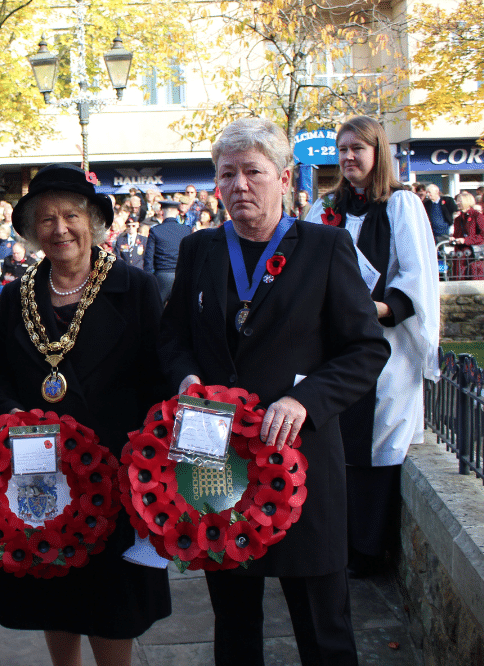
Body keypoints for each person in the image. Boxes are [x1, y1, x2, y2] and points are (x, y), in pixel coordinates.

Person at [161, 117, 389, 666]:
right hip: (214, 460)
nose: (240, 185)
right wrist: (185, 378)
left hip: (301, 460)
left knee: (321, 625)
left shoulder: (326, 247)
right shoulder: (199, 251)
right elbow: (171, 341)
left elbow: (366, 350)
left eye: (253, 172)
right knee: (233, 621)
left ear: (285, 177)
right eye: (227, 174)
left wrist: (305, 400)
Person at [0, 163, 171, 666]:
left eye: (71, 215)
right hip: (40, 473)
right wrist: (15, 417)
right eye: (45, 220)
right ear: (31, 231)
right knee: (52, 588)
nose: (59, 229)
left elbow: (159, 379)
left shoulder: (136, 288)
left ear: (94, 221)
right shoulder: (15, 296)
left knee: (114, 601)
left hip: (114, 472)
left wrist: (146, 458)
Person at [305, 116, 440, 577]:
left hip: (386, 347)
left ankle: (367, 550)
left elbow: (417, 276)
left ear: (378, 152)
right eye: (342, 149)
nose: (348, 157)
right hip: (334, 347)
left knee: (377, 442)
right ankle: (334, 544)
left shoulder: (401, 205)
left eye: (358, 149)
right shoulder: (328, 207)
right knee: (333, 442)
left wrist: (374, 309)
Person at [143, 199, 191, 303]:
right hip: (181, 275)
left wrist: (148, 278)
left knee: (156, 310)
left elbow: (148, 257)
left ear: (162, 212)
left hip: (162, 275)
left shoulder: (156, 230)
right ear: (177, 213)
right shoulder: (186, 230)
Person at [453, 190, 484, 279]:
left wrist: (466, 240)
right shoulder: (458, 219)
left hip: (474, 255)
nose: (457, 203)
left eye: (460, 201)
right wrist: (453, 239)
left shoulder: (477, 216)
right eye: (457, 201)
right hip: (460, 255)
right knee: (459, 279)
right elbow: (457, 235)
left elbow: (482, 235)